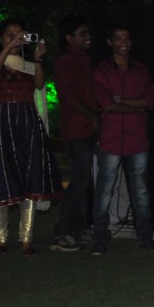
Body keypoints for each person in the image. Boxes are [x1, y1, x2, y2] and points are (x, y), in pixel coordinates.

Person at [0, 19, 63, 254]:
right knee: (2, 179)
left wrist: (39, 60)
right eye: (9, 34)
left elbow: (40, 85)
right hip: (3, 124)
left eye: (19, 34)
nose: (15, 38)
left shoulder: (28, 65)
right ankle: (1, 239)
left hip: (28, 124)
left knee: (29, 179)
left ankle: (26, 239)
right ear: (0, 38)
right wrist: (8, 48)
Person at [90, 25, 154, 255]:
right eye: (118, 38)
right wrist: (134, 104)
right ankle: (100, 238)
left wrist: (122, 101)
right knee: (104, 192)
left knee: (140, 192)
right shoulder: (102, 71)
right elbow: (106, 104)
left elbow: (149, 101)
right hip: (111, 140)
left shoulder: (140, 70)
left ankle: (145, 237)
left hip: (137, 139)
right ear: (110, 42)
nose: (123, 42)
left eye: (127, 38)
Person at [51, 15, 98, 251]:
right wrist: (92, 116)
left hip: (86, 128)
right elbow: (69, 97)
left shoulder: (84, 60)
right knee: (80, 179)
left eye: (88, 33)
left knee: (83, 180)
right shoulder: (66, 61)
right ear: (69, 38)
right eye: (82, 34)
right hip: (76, 128)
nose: (88, 37)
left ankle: (78, 230)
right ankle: (61, 231)